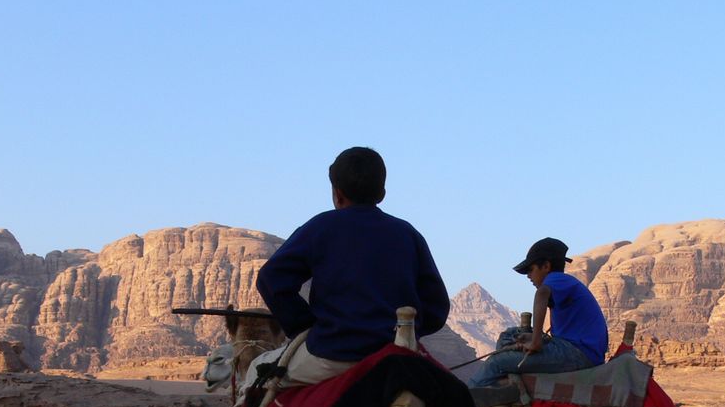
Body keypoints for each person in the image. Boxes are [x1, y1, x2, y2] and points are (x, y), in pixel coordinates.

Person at [252, 146, 451, 385]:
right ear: (382, 193)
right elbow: (437, 306)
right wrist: (409, 331)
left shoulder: (320, 227)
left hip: (332, 354)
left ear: (337, 193)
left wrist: (307, 327)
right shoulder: (408, 234)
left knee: (255, 372)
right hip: (398, 354)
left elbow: (271, 279)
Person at [470, 237, 609, 387]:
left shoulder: (557, 279)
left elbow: (542, 294)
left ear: (546, 266)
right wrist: (534, 336)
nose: (528, 276)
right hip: (573, 348)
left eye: (530, 270)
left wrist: (536, 341)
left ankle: (466, 402)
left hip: (579, 354)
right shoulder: (566, 284)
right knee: (510, 336)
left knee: (495, 363)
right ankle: (511, 372)